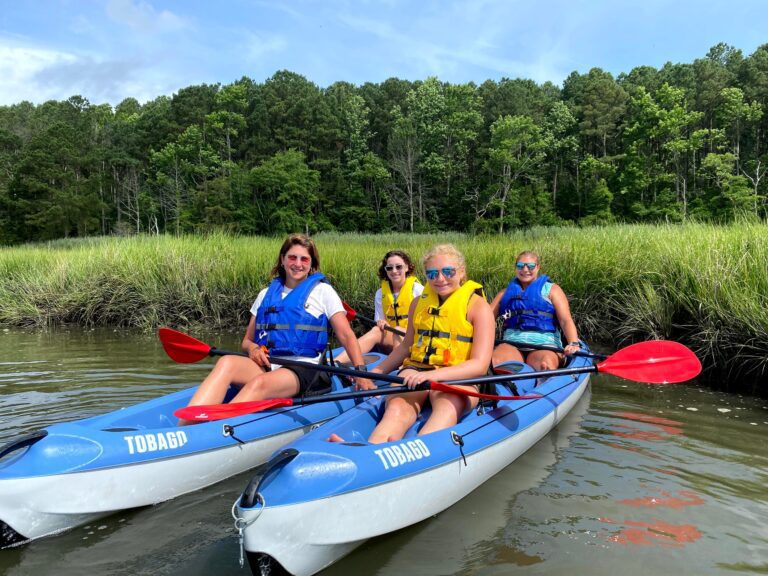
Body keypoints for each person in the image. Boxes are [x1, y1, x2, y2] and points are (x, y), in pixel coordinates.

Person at [180, 234, 375, 425]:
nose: (298, 263)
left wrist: (361, 372)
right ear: (282, 260)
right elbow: (247, 341)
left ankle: (213, 432)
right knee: (226, 363)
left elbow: (346, 335)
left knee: (259, 385)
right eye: (292, 257)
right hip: (269, 365)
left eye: (304, 259)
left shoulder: (323, 291)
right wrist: (253, 349)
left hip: (305, 369)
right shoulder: (265, 294)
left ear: (311, 264)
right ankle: (186, 428)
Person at [329, 244, 494, 444]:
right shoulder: (418, 304)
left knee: (448, 404)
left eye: (448, 272)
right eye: (432, 273)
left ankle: (418, 450)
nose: (440, 279)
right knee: (397, 407)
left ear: (461, 272)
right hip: (417, 368)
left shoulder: (478, 307)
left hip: (459, 376)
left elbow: (479, 365)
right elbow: (406, 347)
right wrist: (378, 372)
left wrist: (430, 376)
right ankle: (370, 450)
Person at [490, 251, 580, 372]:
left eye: (530, 266)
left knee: (545, 364)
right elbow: (487, 319)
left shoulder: (552, 290)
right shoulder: (504, 293)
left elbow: (565, 320)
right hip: (512, 344)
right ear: (515, 267)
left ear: (538, 267)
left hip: (544, 345)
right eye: (520, 266)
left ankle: (544, 384)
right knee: (495, 361)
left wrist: (573, 343)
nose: (525, 269)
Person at [335, 250, 423, 364]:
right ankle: (336, 361)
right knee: (377, 330)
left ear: (407, 267)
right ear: (385, 270)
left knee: (397, 330)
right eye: (389, 268)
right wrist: (382, 323)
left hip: (414, 339)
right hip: (392, 337)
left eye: (399, 267)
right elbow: (380, 320)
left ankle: (400, 366)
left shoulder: (418, 290)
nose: (394, 271)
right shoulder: (380, 293)